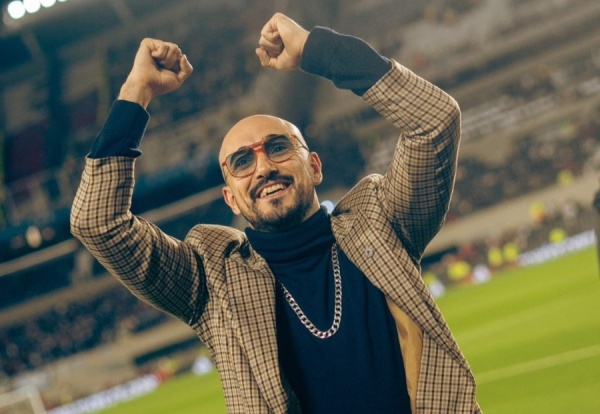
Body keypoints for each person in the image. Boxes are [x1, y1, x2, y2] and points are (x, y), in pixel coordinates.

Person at [71, 12, 481, 414]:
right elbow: (97, 222)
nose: (263, 167)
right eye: (242, 162)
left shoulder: (382, 221)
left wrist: (316, 50)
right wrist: (136, 91)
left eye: (278, 147)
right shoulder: (210, 283)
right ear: (230, 199)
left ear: (314, 166)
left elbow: (435, 122)